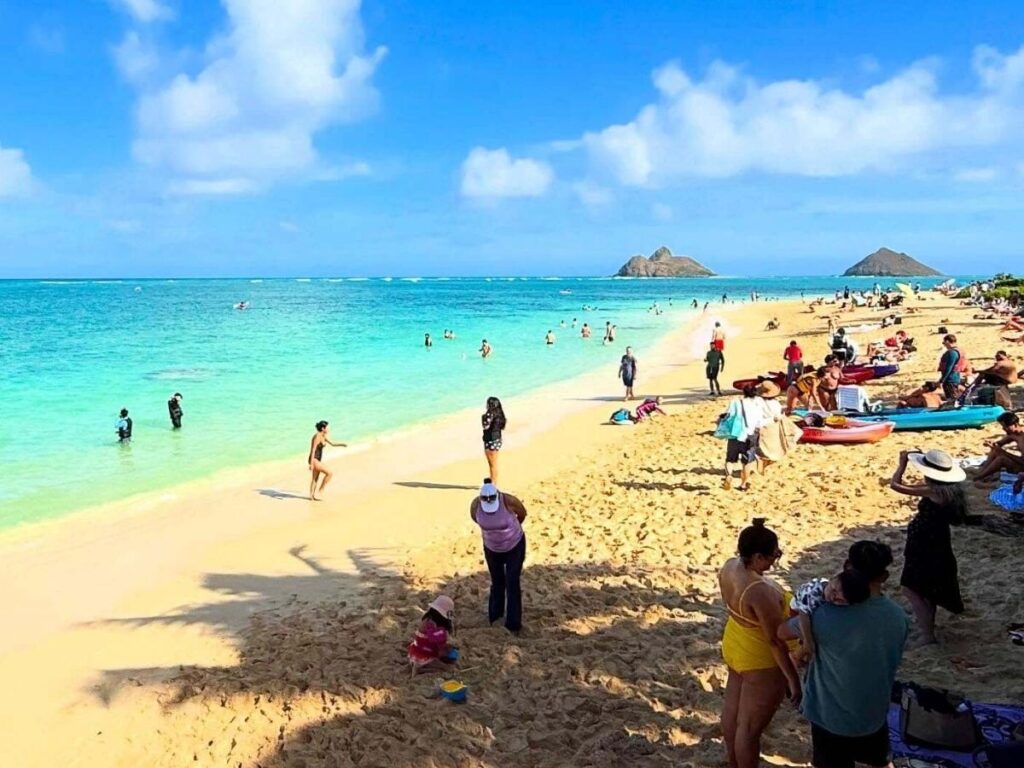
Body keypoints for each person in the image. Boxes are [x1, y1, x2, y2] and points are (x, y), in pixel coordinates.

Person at [778, 541, 908, 768]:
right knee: (879, 761)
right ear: (885, 576)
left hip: (830, 717)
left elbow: (781, 632)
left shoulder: (823, 616)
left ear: (847, 567)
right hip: (873, 712)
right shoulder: (898, 617)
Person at [719, 519, 801, 768]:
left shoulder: (730, 566)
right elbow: (775, 641)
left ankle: (733, 763)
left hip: (735, 641)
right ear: (756, 556)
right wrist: (792, 680)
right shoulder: (758, 591)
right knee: (750, 728)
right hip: (760, 658)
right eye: (773, 556)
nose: (774, 561)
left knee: (732, 713)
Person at [890, 449, 967, 644]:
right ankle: (927, 629)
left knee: (912, 588)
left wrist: (902, 464)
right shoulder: (951, 490)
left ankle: (927, 635)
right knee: (928, 589)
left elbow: (895, 485)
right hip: (938, 540)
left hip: (924, 542)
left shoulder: (933, 491)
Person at [470, 479, 527, 633]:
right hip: (491, 548)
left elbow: (522, 514)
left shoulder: (508, 501)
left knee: (512, 581)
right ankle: (495, 616)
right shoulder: (475, 505)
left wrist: (509, 532)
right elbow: (476, 519)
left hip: (514, 545)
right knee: (497, 582)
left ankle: (513, 624)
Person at [787, 569, 871, 661]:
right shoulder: (813, 594)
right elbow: (803, 616)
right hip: (797, 609)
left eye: (839, 600)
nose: (832, 597)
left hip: (808, 608)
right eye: (833, 590)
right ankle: (795, 656)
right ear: (832, 579)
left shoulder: (836, 589)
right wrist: (808, 640)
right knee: (807, 640)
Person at [723, 385, 763, 491]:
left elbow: (728, 415)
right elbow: (760, 422)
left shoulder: (736, 402)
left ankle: (728, 475)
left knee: (730, 459)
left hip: (735, 433)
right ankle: (743, 485)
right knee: (747, 462)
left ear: (743, 392)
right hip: (750, 435)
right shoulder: (758, 404)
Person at [407, 595, 456, 674]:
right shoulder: (437, 630)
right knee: (447, 667)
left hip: (414, 652)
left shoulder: (426, 620)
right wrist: (448, 650)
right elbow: (440, 649)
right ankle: (421, 668)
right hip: (425, 656)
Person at [971, 412, 1024, 482]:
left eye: (1005, 427)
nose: (1003, 429)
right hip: (1019, 463)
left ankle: (979, 477)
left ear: (1015, 425)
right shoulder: (1013, 434)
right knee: (995, 450)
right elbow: (999, 444)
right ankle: (982, 471)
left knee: (1001, 459)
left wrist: (1004, 453)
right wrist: (991, 443)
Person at [308, 420, 347, 501]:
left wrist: (342, 445)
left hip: (317, 459)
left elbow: (332, 444)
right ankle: (321, 490)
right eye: (327, 427)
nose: (328, 429)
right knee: (329, 473)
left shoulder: (324, 436)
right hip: (314, 459)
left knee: (315, 478)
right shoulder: (317, 436)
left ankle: (312, 497)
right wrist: (311, 464)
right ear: (323, 428)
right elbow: (313, 450)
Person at [481, 396, 506, 484]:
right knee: (494, 463)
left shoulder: (489, 414)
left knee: (492, 464)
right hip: (497, 439)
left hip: (490, 440)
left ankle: (494, 482)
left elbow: (485, 426)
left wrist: (483, 417)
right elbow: (501, 427)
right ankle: (493, 480)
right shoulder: (500, 414)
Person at [935, 333, 962, 399]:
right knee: (954, 397)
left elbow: (949, 367)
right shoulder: (958, 351)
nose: (944, 345)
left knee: (952, 399)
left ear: (947, 341)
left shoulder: (952, 353)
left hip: (950, 380)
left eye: (944, 343)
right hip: (954, 379)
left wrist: (942, 380)